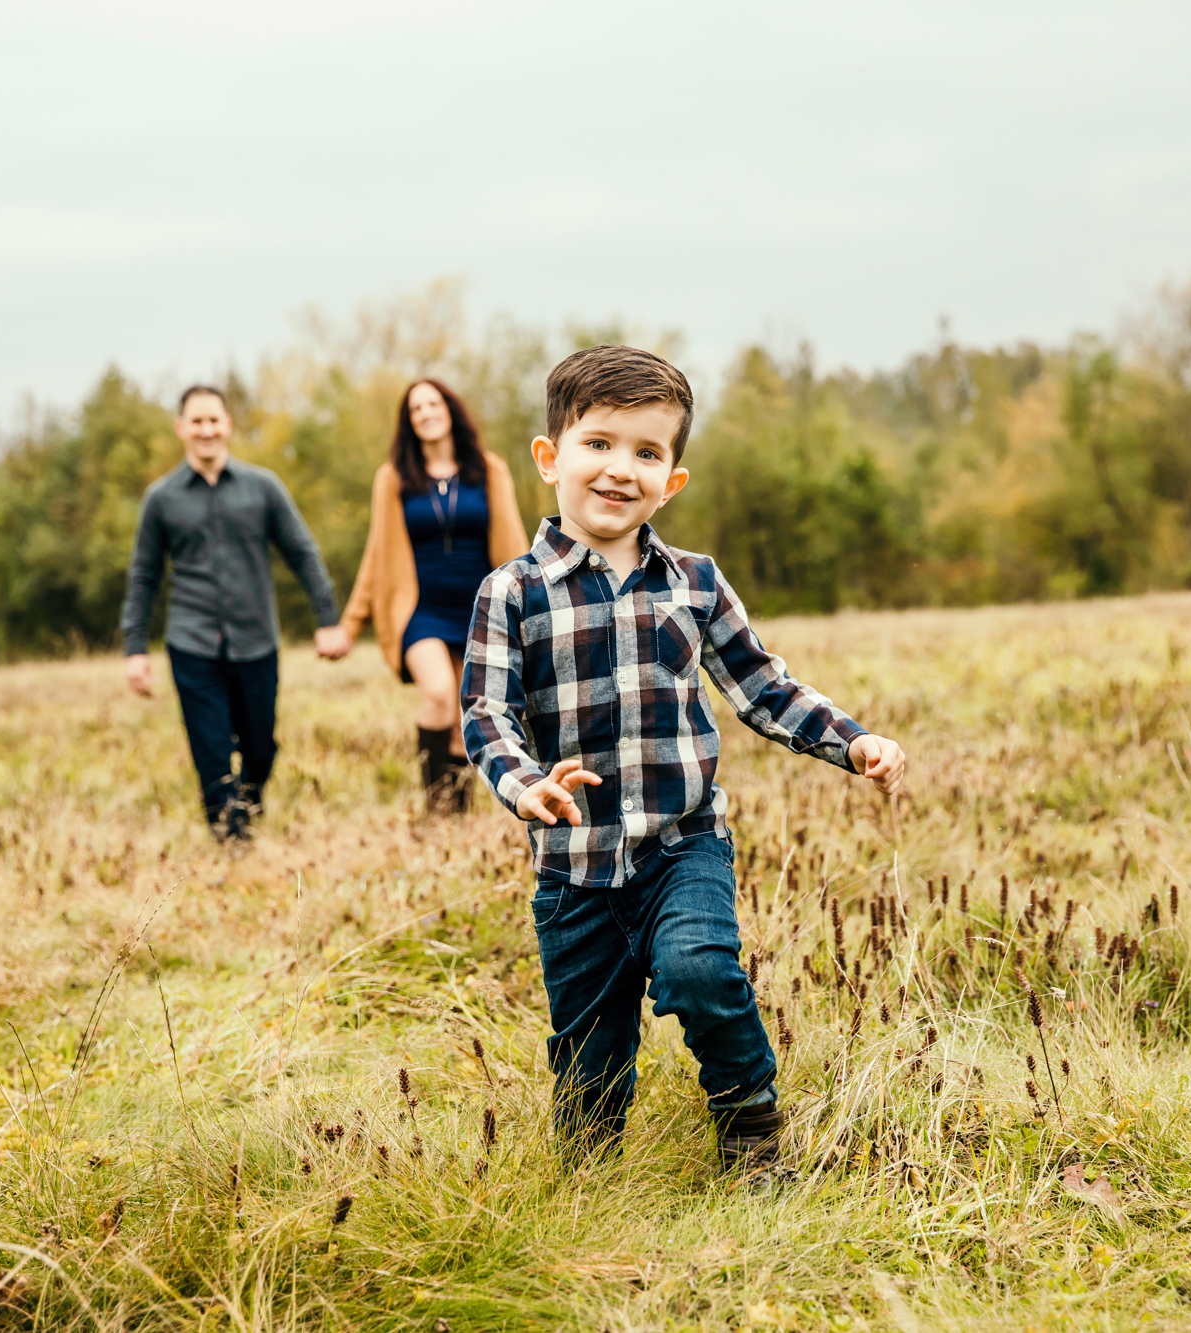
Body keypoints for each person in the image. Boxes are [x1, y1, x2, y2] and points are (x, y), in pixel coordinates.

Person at [462, 345, 908, 1171]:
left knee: (699, 971)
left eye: (647, 452)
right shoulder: (511, 591)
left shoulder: (696, 582)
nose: (620, 469)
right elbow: (486, 712)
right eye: (598, 444)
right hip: (574, 865)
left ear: (672, 478)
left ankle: (751, 1130)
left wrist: (853, 739)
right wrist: (525, 786)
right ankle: (590, 1178)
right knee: (589, 1060)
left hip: (684, 844)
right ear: (550, 457)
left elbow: (762, 687)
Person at [121, 385, 348, 842]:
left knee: (260, 746)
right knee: (210, 749)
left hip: (256, 639)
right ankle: (230, 837)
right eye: (196, 422)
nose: (206, 430)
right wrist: (135, 648)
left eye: (213, 420)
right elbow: (144, 576)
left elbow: (302, 552)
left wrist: (327, 618)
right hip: (191, 642)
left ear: (227, 424)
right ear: (181, 428)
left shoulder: (263, 487)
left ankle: (247, 802)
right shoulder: (160, 499)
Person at [326, 379, 526, 810]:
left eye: (433, 403)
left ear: (450, 410)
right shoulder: (394, 478)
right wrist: (349, 624)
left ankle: (454, 813)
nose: (426, 413)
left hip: (478, 608)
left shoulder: (490, 469)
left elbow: (514, 544)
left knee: (464, 715)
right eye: (416, 409)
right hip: (421, 609)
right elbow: (376, 554)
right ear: (409, 422)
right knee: (437, 693)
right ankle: (434, 808)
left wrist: (537, 604)